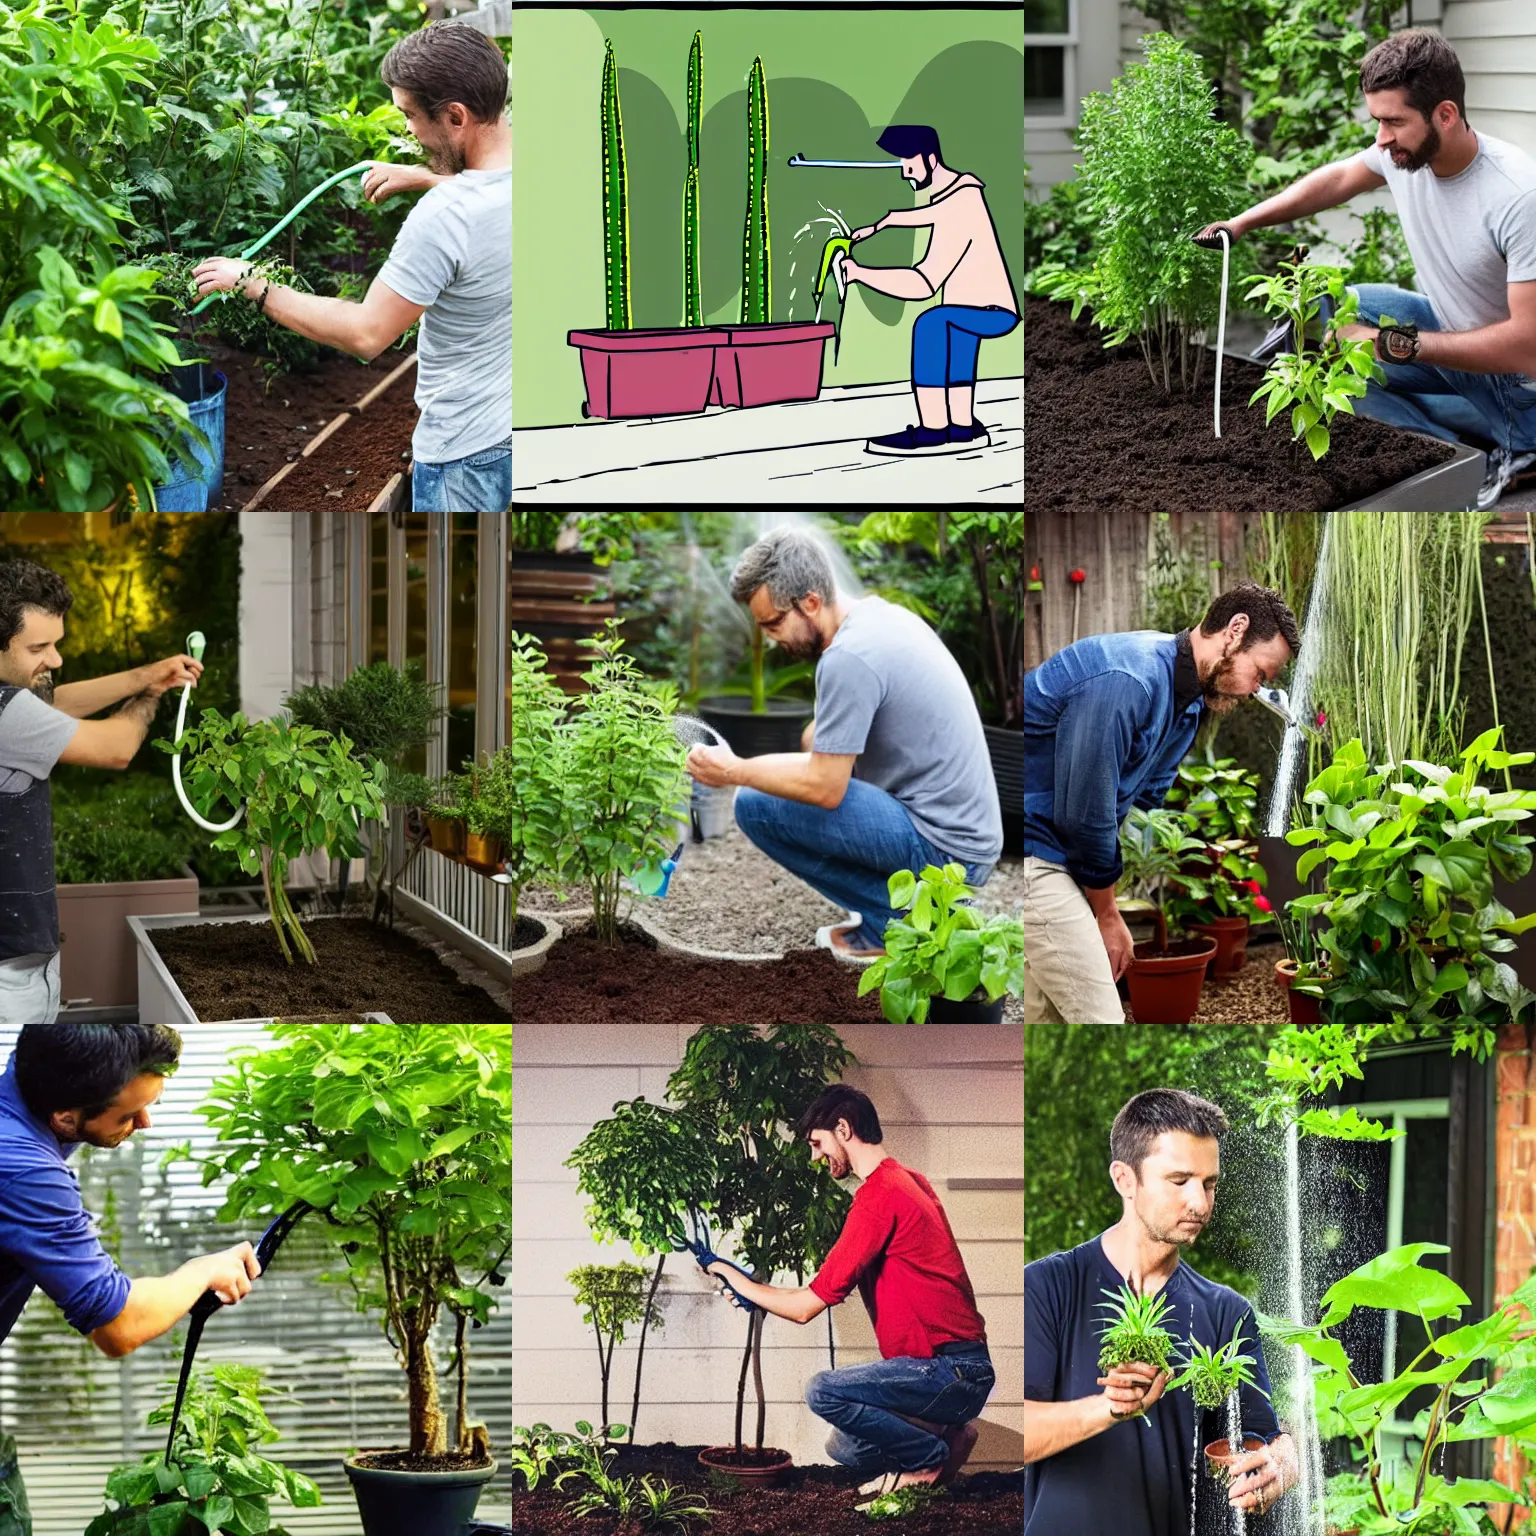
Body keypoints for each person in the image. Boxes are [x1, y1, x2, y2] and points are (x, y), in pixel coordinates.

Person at [1193, 29, 1536, 509]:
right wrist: (1243, 222)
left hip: (1520, 380)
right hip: (1460, 336)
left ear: (1446, 114)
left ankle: (1514, 449)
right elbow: (1336, 179)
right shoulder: (1404, 153)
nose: (1381, 138)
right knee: (1334, 318)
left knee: (1365, 343)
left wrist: (1391, 345)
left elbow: (1527, 347)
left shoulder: (1517, 196)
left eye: (1393, 121)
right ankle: (1451, 448)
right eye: (1377, 121)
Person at [192, 21, 511, 513]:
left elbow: (367, 333)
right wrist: (426, 177)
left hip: (465, 460)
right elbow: (489, 197)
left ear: (454, 116)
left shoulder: (445, 218)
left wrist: (251, 284)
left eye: (409, 115)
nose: (407, 129)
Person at [682, 526, 1002, 959]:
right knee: (795, 763)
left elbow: (825, 788)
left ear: (810, 602)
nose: (773, 640)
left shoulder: (847, 658)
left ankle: (899, 922)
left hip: (945, 847)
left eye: (774, 623)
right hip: (971, 836)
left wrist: (734, 769)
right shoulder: (878, 618)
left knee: (753, 805)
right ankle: (919, 909)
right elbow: (826, 739)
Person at [0, 1026, 264, 1531]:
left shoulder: (31, 1079)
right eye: (127, 1114)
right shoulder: (21, 1165)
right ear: (65, 1117)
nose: (144, 1123)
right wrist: (202, 1269)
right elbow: (118, 1324)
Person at [696, 1086, 993, 1509]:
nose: (816, 1157)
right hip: (959, 1370)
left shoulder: (880, 1196)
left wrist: (729, 1273)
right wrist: (755, 1295)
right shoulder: (910, 1181)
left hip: (950, 1370)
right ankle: (952, 1435)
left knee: (822, 1391)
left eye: (818, 1143)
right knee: (846, 1448)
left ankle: (928, 1458)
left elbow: (806, 1307)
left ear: (843, 1127)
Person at [1022, 581, 1298, 1024]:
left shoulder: (1186, 705)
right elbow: (1086, 816)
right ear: (1235, 630)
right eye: (1260, 673)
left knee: (1047, 1021)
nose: (1253, 691)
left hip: (1065, 857)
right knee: (1101, 1020)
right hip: (1036, 854)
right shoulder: (1128, 680)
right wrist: (1108, 912)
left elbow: (1144, 803)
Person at [1024, 1089, 1298, 1535]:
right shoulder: (1047, 1286)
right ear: (1124, 1180)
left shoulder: (1227, 1312)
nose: (1201, 1202)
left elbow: (1265, 1440)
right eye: (1179, 1180)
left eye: (1209, 1183)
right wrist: (1108, 1408)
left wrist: (1284, 1465)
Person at [0, 561, 204, 1026]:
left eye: (56, 643)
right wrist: (152, 697)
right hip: (7, 974)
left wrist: (147, 675)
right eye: (39, 647)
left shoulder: (12, 703)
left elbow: (55, 702)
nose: (55, 659)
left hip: (22, 958)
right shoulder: (4, 713)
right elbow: (116, 748)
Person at [843, 125, 1019, 456]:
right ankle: (963, 425)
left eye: (909, 163)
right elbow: (925, 215)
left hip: (993, 312)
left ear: (931, 160)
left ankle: (934, 429)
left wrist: (858, 273)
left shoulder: (962, 201)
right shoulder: (956, 197)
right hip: (976, 307)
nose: (905, 172)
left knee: (932, 323)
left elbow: (923, 282)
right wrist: (881, 225)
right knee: (954, 328)